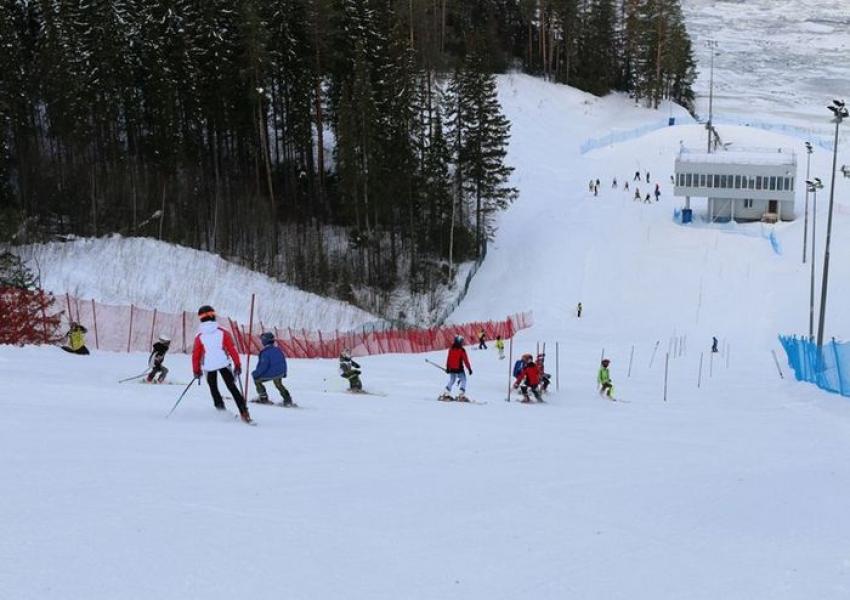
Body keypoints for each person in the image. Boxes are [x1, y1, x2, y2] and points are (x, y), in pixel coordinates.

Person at [191, 305, 253, 423]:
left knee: (213, 388)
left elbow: (196, 355)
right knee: (232, 388)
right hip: (223, 363)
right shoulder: (222, 332)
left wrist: (196, 370)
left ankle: (221, 412)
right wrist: (237, 364)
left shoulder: (199, 335)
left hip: (209, 366)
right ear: (213, 315)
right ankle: (244, 412)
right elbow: (231, 349)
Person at [252, 332, 295, 406]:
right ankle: (287, 399)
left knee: (257, 380)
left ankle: (263, 398)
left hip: (272, 373)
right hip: (280, 372)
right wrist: (284, 373)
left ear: (265, 341)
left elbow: (263, 366)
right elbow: (283, 362)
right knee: (278, 384)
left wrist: (256, 373)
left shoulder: (265, 352)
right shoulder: (278, 350)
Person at [442, 335, 472, 400]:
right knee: (463, 380)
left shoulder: (451, 349)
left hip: (451, 369)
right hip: (459, 369)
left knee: (452, 380)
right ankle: (461, 394)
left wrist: (447, 367)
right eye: (461, 342)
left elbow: (448, 359)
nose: (462, 343)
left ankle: (446, 393)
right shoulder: (461, 350)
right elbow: (465, 360)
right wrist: (469, 368)